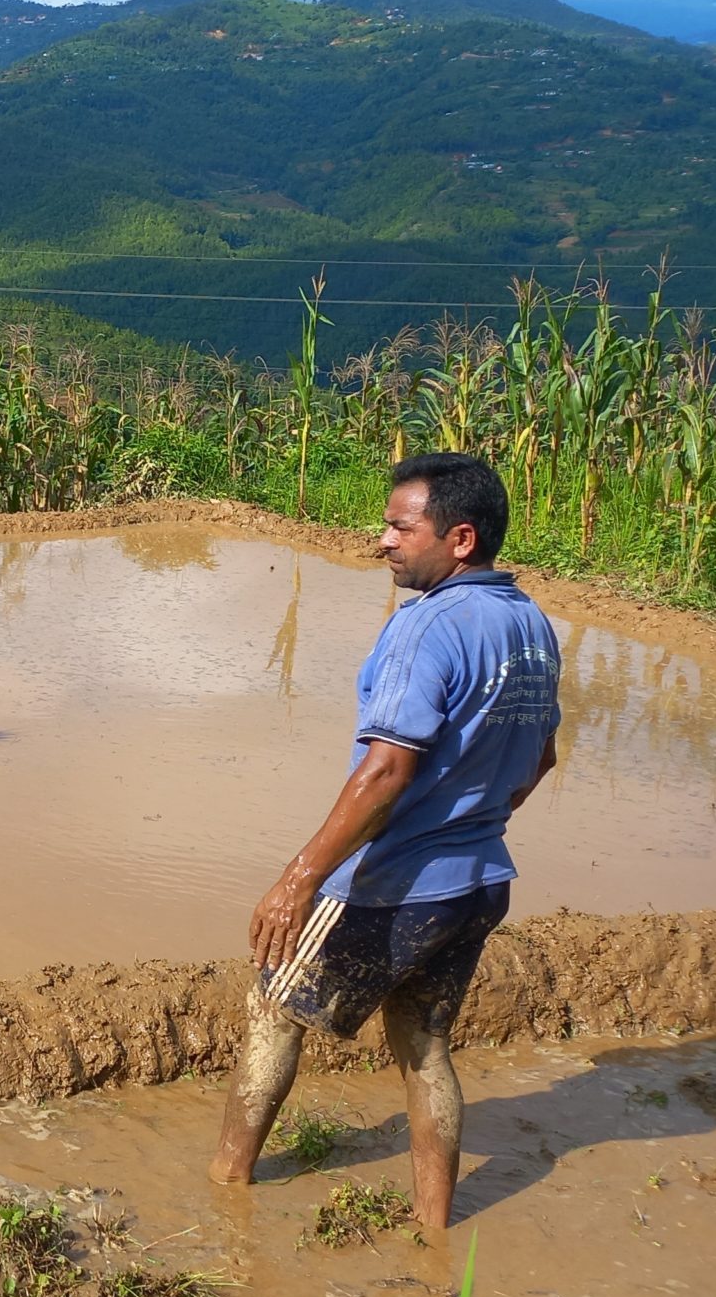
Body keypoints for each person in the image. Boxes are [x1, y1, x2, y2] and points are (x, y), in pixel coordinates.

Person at [210, 452, 561, 1230]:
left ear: (459, 538)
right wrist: (470, 821)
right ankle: (435, 1226)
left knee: (271, 1005)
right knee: (424, 1045)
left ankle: (225, 1187)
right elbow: (540, 758)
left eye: (401, 526)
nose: (383, 541)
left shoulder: (425, 625)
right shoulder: (530, 623)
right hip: (479, 882)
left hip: (394, 886)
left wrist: (300, 876)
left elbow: (387, 769)